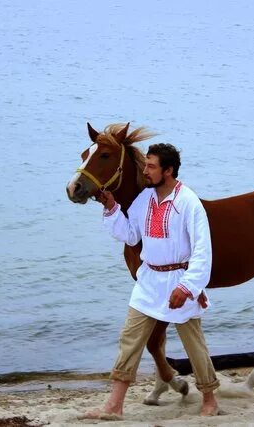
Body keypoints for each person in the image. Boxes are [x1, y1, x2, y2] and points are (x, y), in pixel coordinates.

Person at [83, 143, 220, 420]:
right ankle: (114, 406)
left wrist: (187, 287)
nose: (145, 170)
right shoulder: (145, 199)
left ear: (168, 171)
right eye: (145, 164)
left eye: (151, 166)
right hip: (148, 281)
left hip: (178, 281)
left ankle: (210, 399)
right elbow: (131, 235)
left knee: (194, 345)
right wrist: (111, 208)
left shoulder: (188, 202)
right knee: (129, 339)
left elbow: (203, 251)